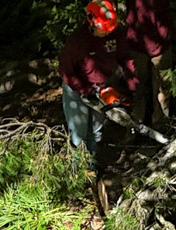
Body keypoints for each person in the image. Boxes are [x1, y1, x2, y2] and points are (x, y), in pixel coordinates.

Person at [59, 0, 139, 164]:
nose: (106, 33)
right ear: (91, 23)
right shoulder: (78, 41)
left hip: (102, 89)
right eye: (103, 30)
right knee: (78, 135)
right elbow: (66, 71)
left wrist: (132, 82)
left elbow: (125, 58)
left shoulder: (115, 36)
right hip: (77, 91)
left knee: (96, 131)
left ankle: (93, 166)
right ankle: (79, 172)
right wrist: (85, 90)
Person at [124, 0, 176, 126]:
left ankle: (143, 125)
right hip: (147, 40)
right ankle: (151, 124)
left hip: (150, 39)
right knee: (157, 88)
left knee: (145, 87)